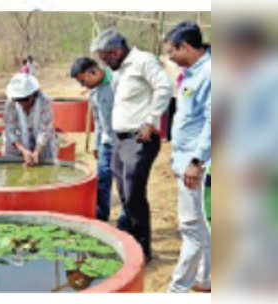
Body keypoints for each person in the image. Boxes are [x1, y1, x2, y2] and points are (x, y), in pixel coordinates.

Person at [90, 27, 173, 263]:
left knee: (134, 193)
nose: (104, 63)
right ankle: (133, 241)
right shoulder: (119, 70)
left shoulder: (143, 61)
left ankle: (143, 249)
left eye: (106, 57)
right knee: (124, 193)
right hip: (120, 140)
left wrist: (151, 121)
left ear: (117, 51)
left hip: (140, 139)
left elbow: (164, 87)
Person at [163, 21, 211, 293]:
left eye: (172, 51)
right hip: (187, 162)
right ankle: (205, 278)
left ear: (185, 47)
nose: (170, 57)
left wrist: (196, 161)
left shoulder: (211, 74)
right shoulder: (192, 73)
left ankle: (178, 289)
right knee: (201, 225)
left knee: (191, 228)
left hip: (198, 165)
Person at [70, 57, 115, 221]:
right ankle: (102, 217)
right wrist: (97, 144)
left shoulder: (117, 82)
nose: (83, 86)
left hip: (124, 142)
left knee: (127, 187)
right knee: (102, 180)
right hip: (106, 142)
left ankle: (128, 223)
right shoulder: (94, 91)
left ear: (93, 71)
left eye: (83, 81)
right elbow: (97, 119)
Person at [3, 73, 58, 166]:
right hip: (18, 143)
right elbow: (10, 130)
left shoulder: (44, 101)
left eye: (25, 99)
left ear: (33, 95)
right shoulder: (11, 103)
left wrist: (36, 152)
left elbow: (44, 130)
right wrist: (23, 150)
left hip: (42, 144)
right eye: (19, 100)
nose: (23, 104)